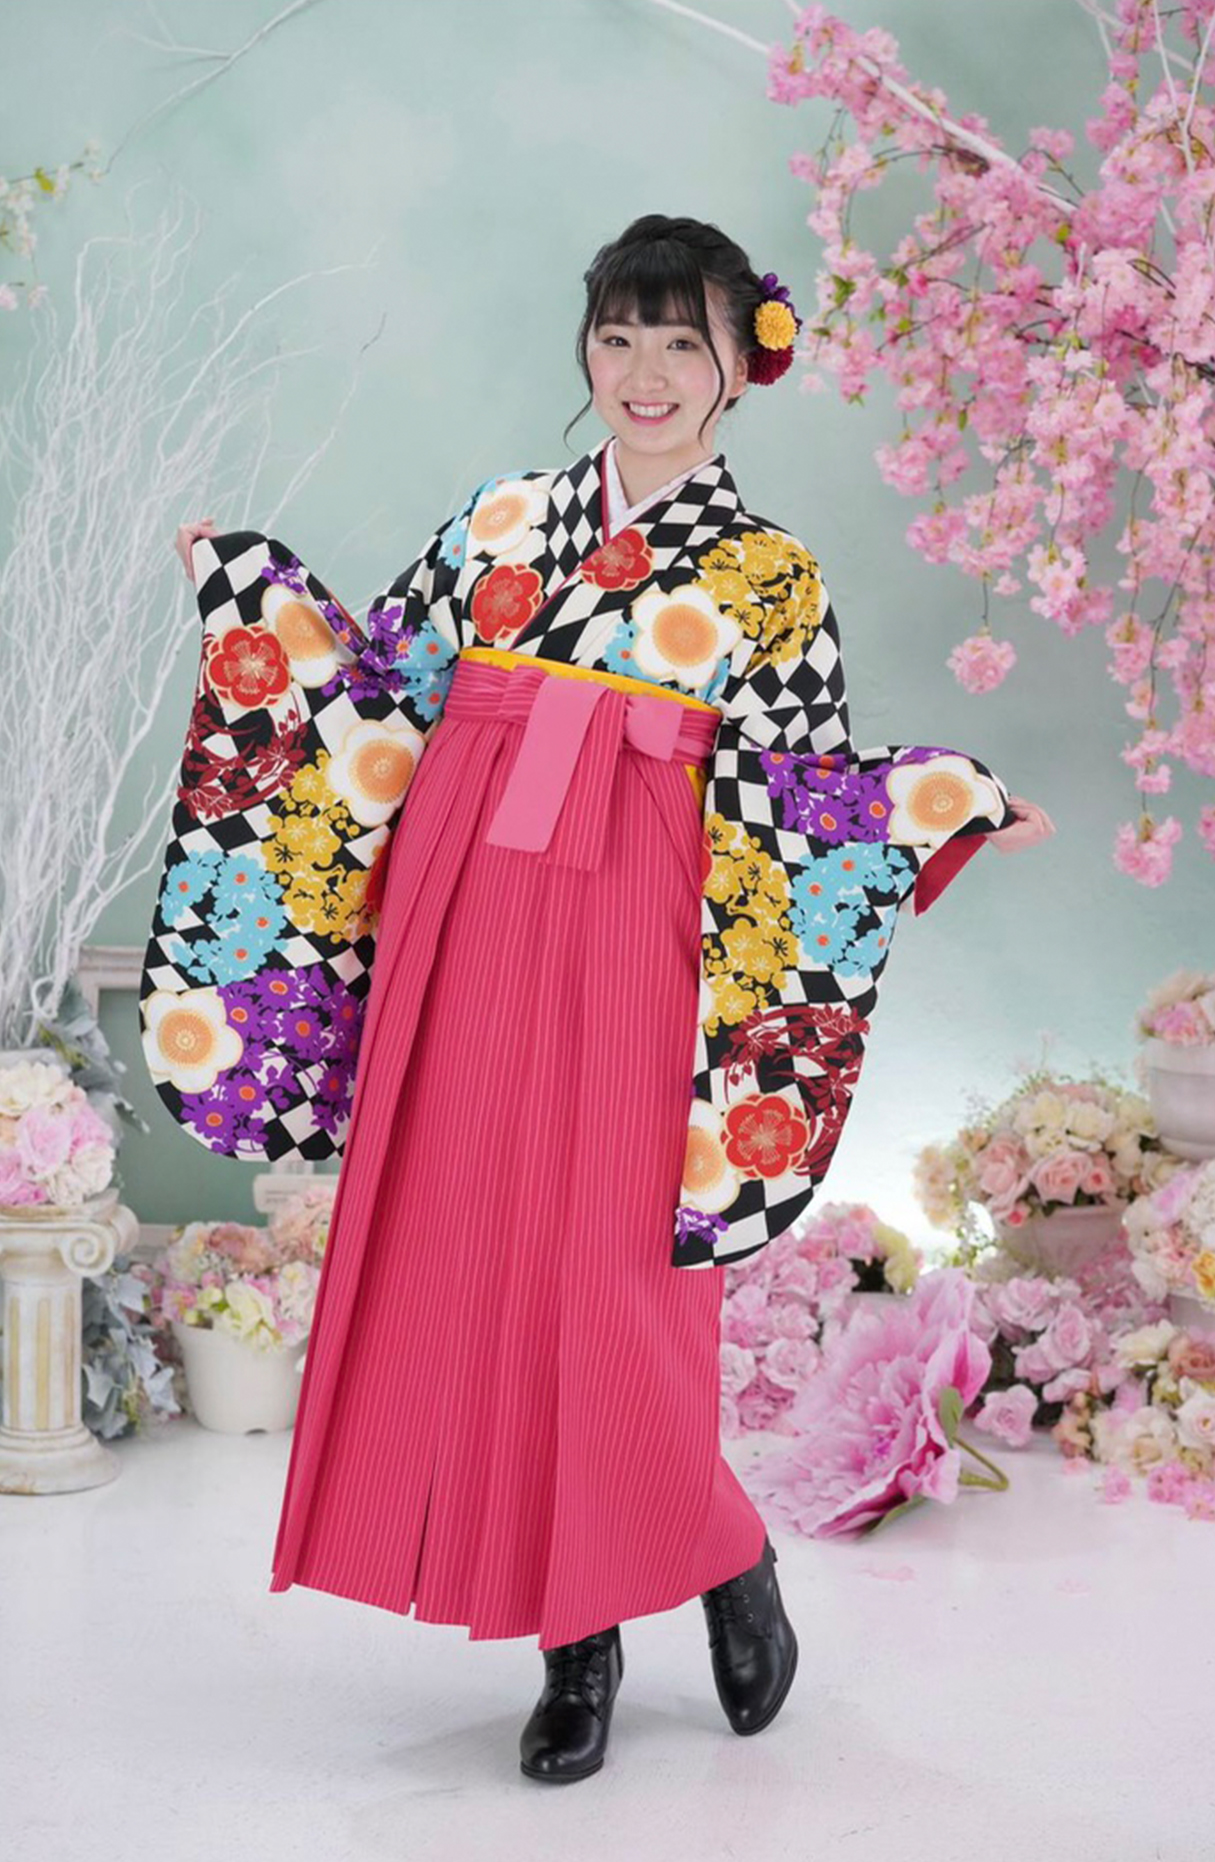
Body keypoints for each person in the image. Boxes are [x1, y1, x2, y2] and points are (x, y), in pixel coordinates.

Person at [159, 213, 1054, 1785]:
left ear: (738, 371)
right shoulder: (505, 519)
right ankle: (575, 1645)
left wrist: (943, 801)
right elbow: (376, 695)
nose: (645, 371)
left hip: (644, 928)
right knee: (477, 1259)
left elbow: (801, 793)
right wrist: (253, 598)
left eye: (681, 342)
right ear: (588, 347)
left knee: (613, 1275)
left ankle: (718, 1549)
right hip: (463, 910)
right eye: (620, 335)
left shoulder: (768, 574)